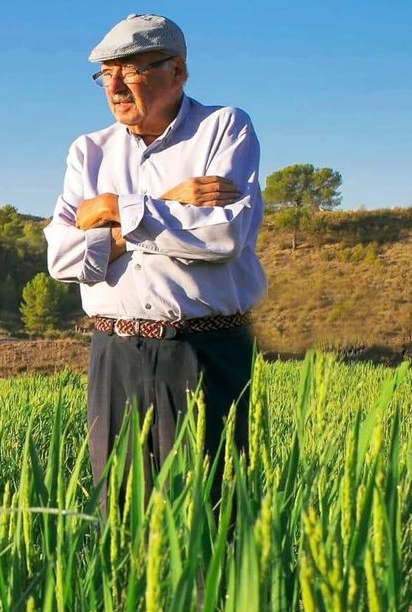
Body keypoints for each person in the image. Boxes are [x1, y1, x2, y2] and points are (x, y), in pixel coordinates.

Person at [44, 13, 267, 509]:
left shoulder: (223, 128)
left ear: (178, 72)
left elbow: (222, 234)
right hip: (113, 352)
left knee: (210, 516)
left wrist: (109, 211)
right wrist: (167, 201)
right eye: (107, 73)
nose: (116, 85)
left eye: (133, 70)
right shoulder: (88, 152)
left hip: (205, 351)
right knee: (119, 517)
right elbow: (61, 257)